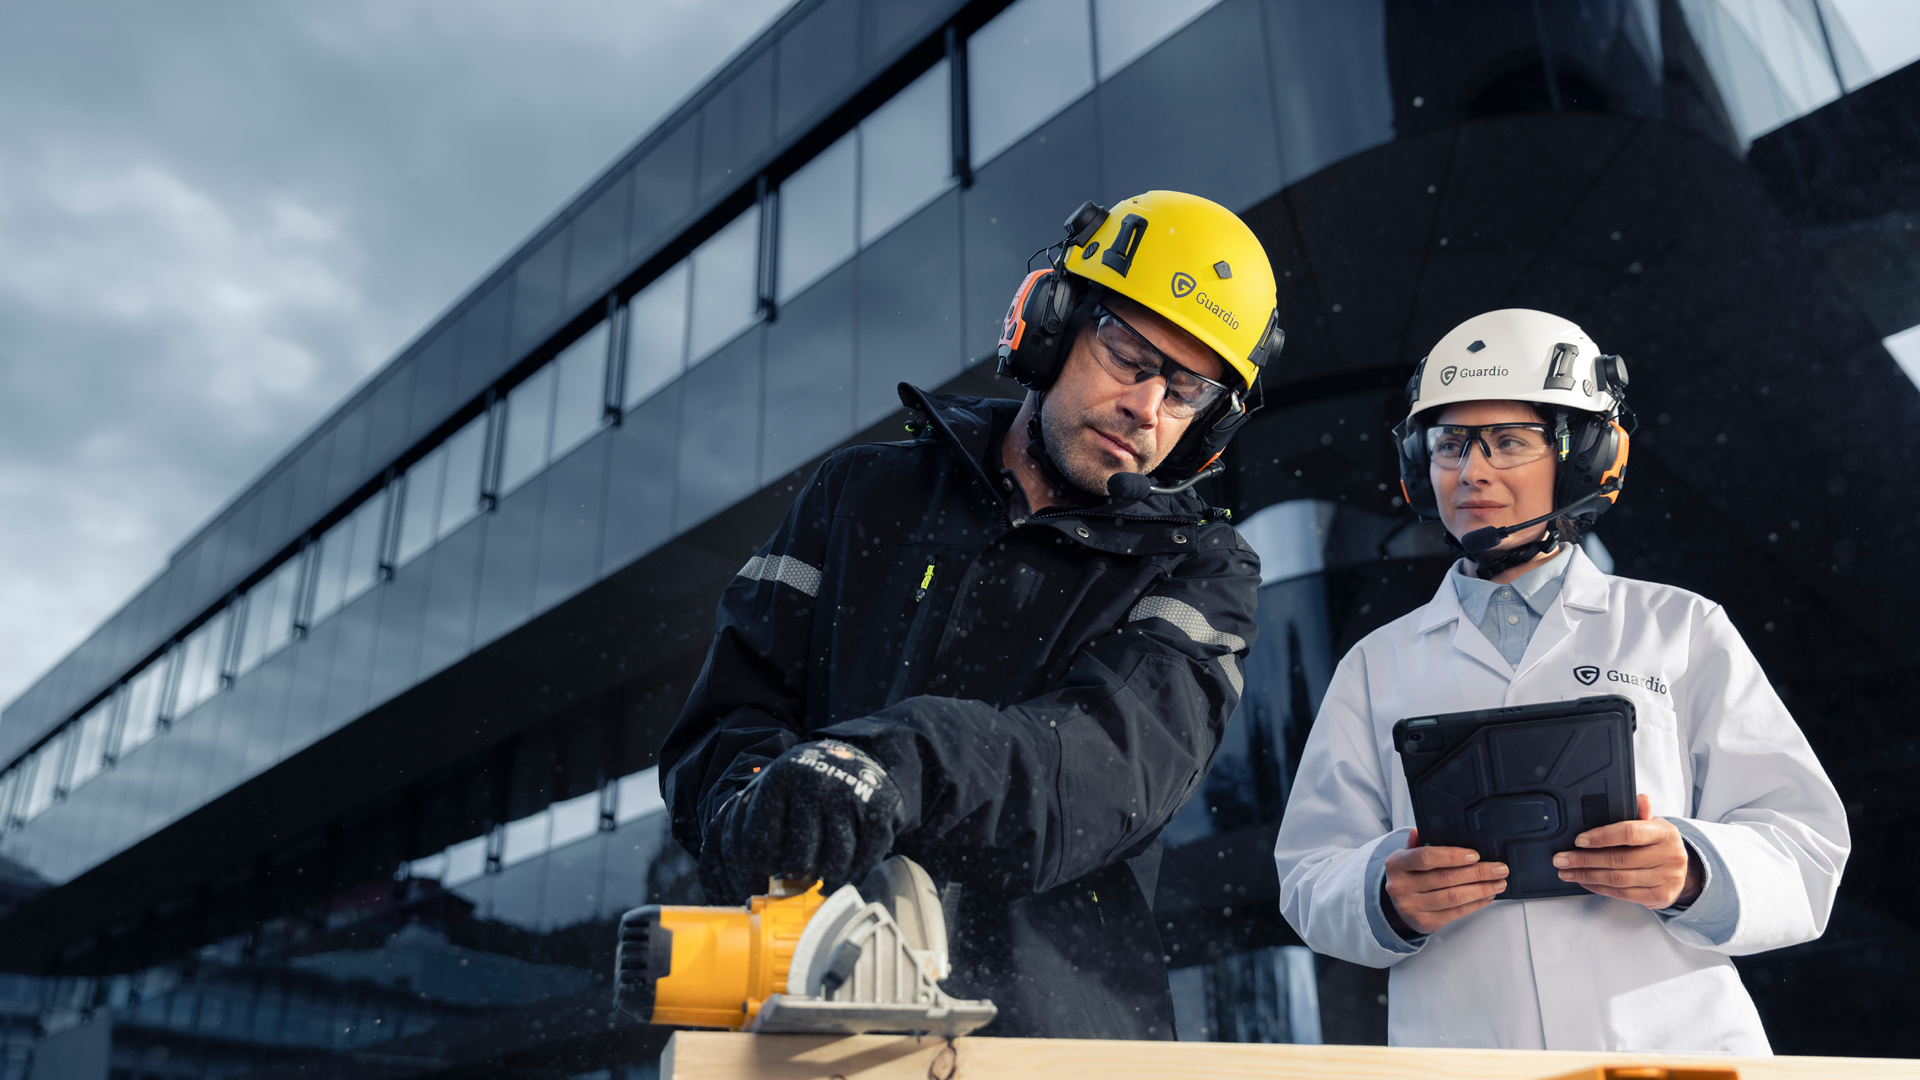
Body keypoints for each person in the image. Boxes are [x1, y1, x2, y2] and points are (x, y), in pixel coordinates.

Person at [659, 191, 1285, 1038]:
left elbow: (1104, 770)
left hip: (1053, 1045)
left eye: (1186, 391)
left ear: (1210, 428)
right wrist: (766, 812)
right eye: (1129, 352)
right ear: (1051, 323)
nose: (1146, 405)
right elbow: (727, 719)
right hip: (811, 1020)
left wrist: (895, 765)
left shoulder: (1202, 571)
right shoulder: (861, 494)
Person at [1273, 308, 1849, 1053]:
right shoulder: (1376, 666)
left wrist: (1696, 868)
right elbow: (1308, 877)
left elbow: (1807, 850)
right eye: (1449, 444)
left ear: (1583, 458)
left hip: (1674, 1059)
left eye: (1508, 442)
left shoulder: (1680, 630)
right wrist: (1384, 894)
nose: (1471, 472)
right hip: (1466, 1064)